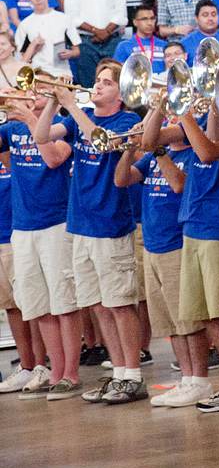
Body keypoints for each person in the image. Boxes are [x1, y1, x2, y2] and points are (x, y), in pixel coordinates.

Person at [139, 56, 219, 415]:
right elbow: (149, 141)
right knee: (209, 315)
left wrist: (185, 114)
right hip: (193, 225)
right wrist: (162, 104)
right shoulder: (197, 123)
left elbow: (209, 151)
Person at [35, 62, 147, 404]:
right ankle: (117, 373)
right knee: (97, 305)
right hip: (80, 224)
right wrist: (54, 100)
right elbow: (41, 137)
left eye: (105, 83)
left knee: (120, 304)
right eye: (96, 81)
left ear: (121, 94)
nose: (97, 87)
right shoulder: (76, 117)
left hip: (110, 223)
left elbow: (100, 144)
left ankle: (133, 374)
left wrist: (71, 104)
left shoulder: (126, 122)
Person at [113, 109, 213, 407]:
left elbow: (180, 184)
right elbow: (121, 180)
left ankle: (200, 381)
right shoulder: (154, 155)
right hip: (153, 248)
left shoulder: (192, 152)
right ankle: (186, 379)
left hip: (177, 244)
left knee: (189, 321)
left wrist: (156, 148)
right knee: (170, 324)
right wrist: (131, 146)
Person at [0, 78, 78, 400]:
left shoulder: (64, 125)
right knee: (39, 304)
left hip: (56, 224)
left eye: (35, 90)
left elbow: (54, 159)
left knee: (64, 303)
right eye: (25, 90)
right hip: (22, 227)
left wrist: (33, 117)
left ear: (50, 96)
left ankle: (70, 375)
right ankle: (54, 370)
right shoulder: (11, 129)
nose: (27, 94)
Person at [63, 0, 128, 87]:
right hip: (86, 42)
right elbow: (72, 17)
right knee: (88, 85)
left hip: (112, 40)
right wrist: (97, 31)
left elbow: (120, 12)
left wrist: (106, 32)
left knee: (116, 83)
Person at [14, 0, 82, 80]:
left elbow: (76, 50)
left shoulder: (64, 19)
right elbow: (22, 57)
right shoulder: (25, 25)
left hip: (62, 73)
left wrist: (69, 53)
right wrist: (34, 48)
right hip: (38, 74)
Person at [114, 5, 167, 72]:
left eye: (152, 19)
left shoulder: (164, 45)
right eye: (145, 19)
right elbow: (118, 72)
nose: (150, 23)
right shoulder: (124, 46)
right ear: (135, 22)